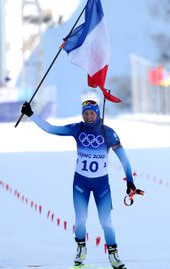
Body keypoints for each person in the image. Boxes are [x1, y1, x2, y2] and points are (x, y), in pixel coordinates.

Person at [21, 100, 137, 269]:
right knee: (80, 220)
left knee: (106, 221)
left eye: (92, 113)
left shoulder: (108, 133)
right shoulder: (77, 128)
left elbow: (124, 159)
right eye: (86, 113)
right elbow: (51, 129)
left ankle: (114, 256)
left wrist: (130, 181)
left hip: (101, 185)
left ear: (97, 113)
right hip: (80, 183)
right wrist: (31, 114)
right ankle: (81, 249)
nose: (88, 117)